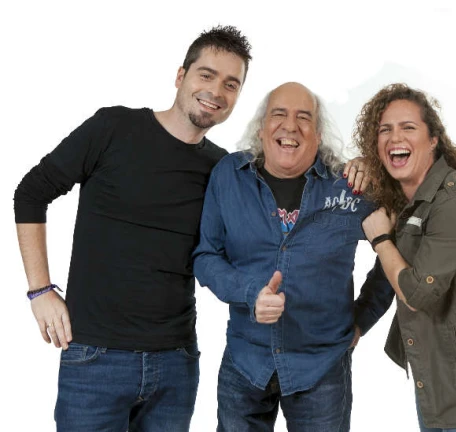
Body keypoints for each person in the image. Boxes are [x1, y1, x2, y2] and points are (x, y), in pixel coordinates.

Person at [13, 26, 251, 431]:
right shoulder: (113, 128)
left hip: (176, 363)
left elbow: (235, 248)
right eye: (206, 75)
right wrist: (40, 290)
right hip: (95, 359)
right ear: (181, 76)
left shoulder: (222, 168)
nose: (216, 91)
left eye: (231, 84)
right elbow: (31, 193)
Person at [192, 82, 394, 432]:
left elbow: (395, 248)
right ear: (261, 128)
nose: (290, 126)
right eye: (279, 115)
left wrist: (362, 318)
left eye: (304, 118)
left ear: (318, 134)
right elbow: (207, 256)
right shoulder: (229, 176)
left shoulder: (350, 187)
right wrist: (250, 293)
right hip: (245, 361)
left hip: (322, 367)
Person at [354, 83, 456, 431]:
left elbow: (417, 294)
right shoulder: (402, 201)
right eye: (385, 130)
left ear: (433, 140)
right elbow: (387, 278)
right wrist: (354, 327)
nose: (395, 137)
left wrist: (381, 240)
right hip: (436, 378)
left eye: (408, 127)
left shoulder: (454, 201)